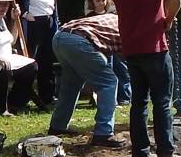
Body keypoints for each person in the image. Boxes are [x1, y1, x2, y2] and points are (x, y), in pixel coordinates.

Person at [110, 0, 181, 157]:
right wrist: (169, 19)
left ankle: (140, 152)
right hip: (155, 47)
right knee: (162, 101)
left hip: (131, 49)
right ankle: (165, 151)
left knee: (138, 102)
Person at [47, 8, 125, 146]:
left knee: (72, 84)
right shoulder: (127, 29)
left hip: (60, 37)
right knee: (109, 82)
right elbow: (131, 59)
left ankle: (58, 126)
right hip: (79, 41)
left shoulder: (110, 19)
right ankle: (104, 133)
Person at [85, 0, 130, 107]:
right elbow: (88, 0)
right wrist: (89, 18)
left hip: (117, 21)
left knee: (120, 59)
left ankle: (124, 95)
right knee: (102, 60)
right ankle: (101, 95)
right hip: (98, 22)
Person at [17, 0, 61, 110]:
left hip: (48, 22)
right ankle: (21, 99)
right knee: (29, 61)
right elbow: (16, 0)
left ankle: (47, 96)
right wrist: (25, 13)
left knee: (47, 60)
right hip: (32, 23)